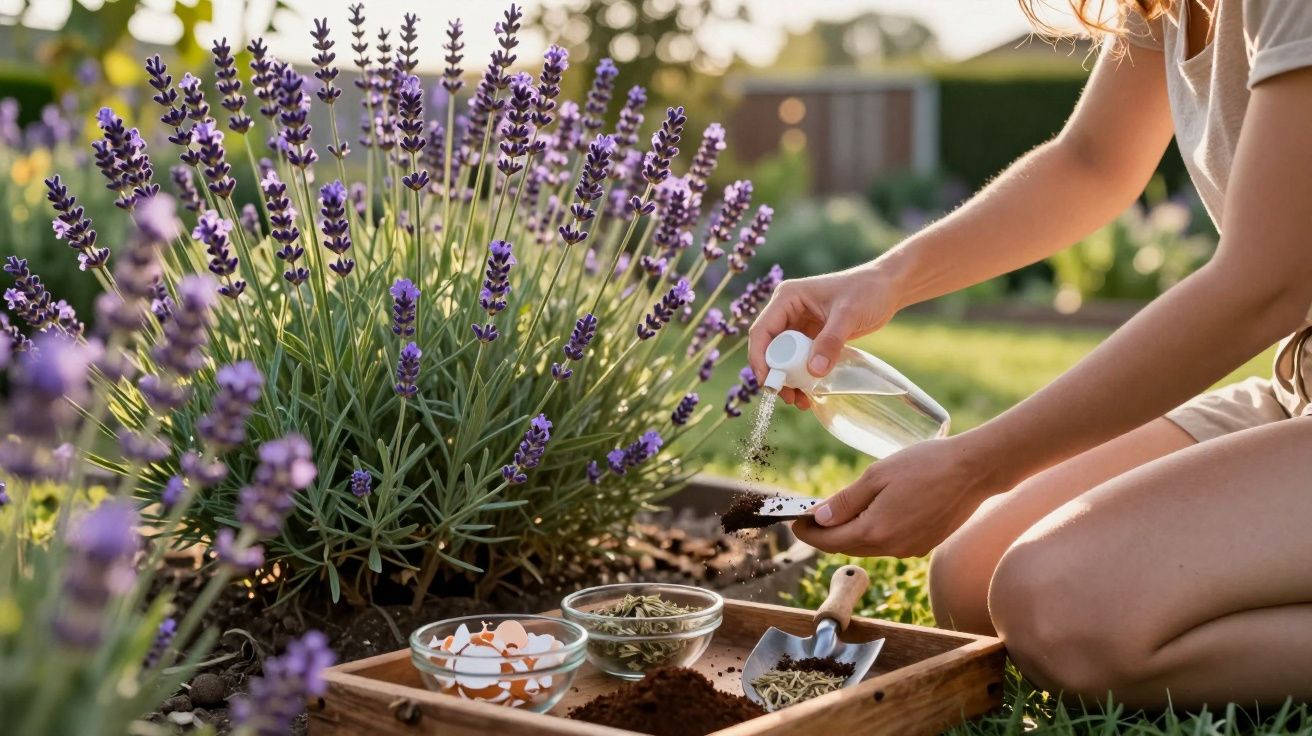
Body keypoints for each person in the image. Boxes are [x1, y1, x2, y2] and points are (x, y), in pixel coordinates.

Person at [747, 0, 1312, 710]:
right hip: (1300, 388)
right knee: (970, 581)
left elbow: (1263, 285)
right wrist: (882, 279)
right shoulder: (1165, 4)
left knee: (1058, 610)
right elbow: (1092, 163)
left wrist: (979, 464)